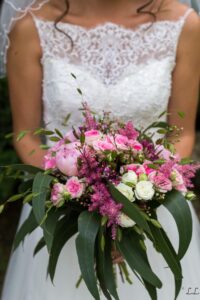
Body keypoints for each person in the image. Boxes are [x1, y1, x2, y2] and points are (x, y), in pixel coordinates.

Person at [0, 0, 200, 299]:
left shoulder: (185, 25)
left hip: (153, 210)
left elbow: (181, 135)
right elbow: (26, 136)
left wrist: (140, 207)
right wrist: (74, 199)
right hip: (62, 214)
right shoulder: (30, 26)